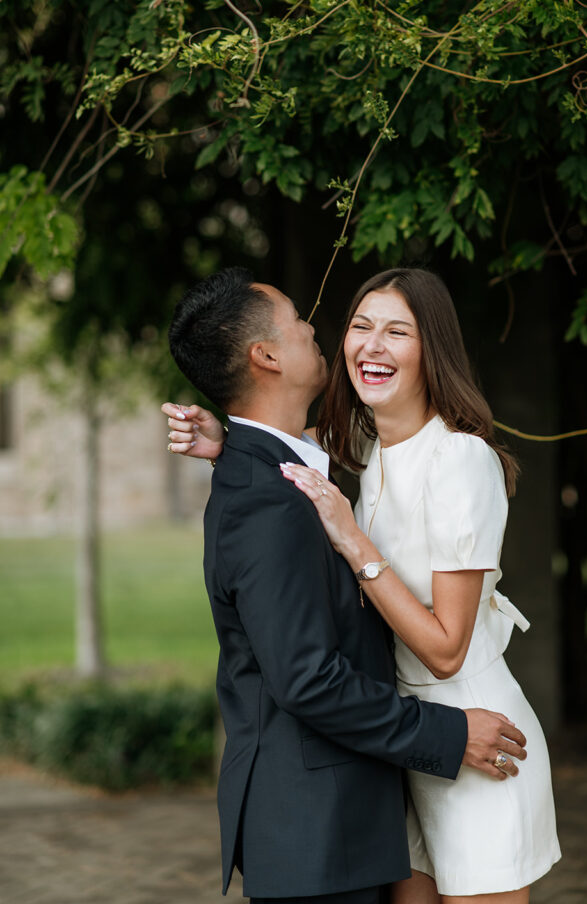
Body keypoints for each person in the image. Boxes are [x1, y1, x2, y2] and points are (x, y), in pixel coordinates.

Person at [166, 267, 528, 904]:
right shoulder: (268, 501)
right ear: (267, 356)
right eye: (299, 321)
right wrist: (447, 737)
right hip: (321, 828)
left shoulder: (301, 472)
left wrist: (237, 444)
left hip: (374, 796)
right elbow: (308, 679)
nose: (318, 330)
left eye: (397, 331)